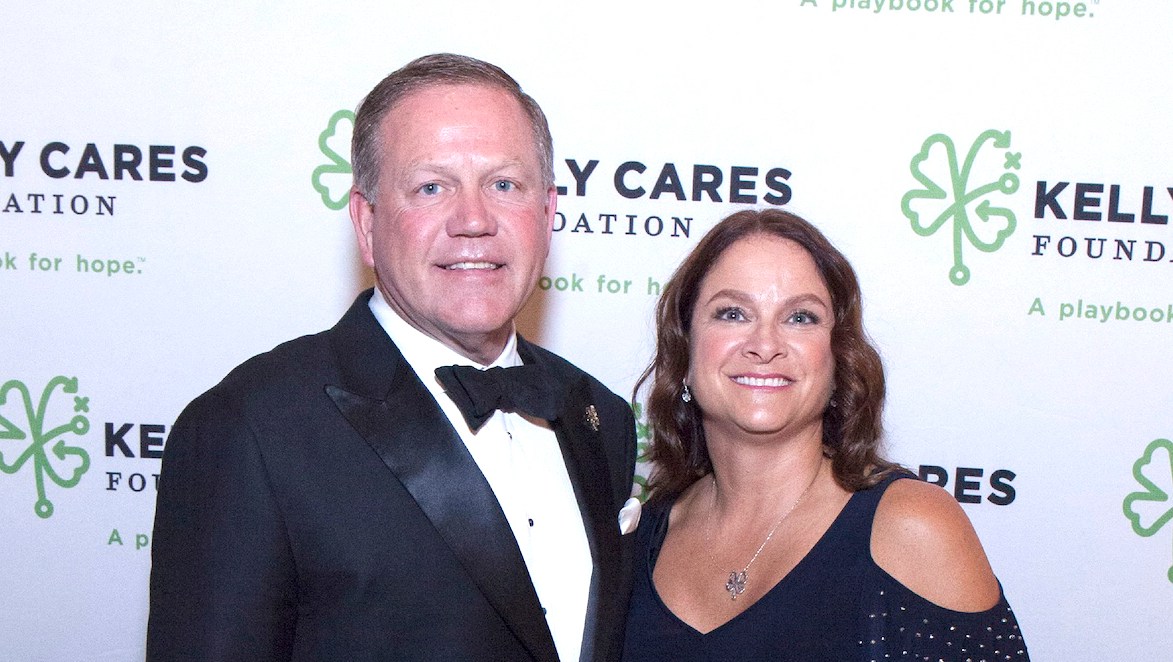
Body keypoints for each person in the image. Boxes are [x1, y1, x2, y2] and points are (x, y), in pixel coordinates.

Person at [147, 53, 637, 662]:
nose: (474, 220)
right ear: (366, 222)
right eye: (431, 187)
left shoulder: (598, 416)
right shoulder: (249, 428)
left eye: (504, 185)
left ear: (547, 212)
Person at [622, 209, 1028, 661]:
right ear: (685, 350)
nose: (765, 345)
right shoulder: (644, 536)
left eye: (800, 318)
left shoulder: (909, 527)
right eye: (733, 313)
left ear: (838, 359)